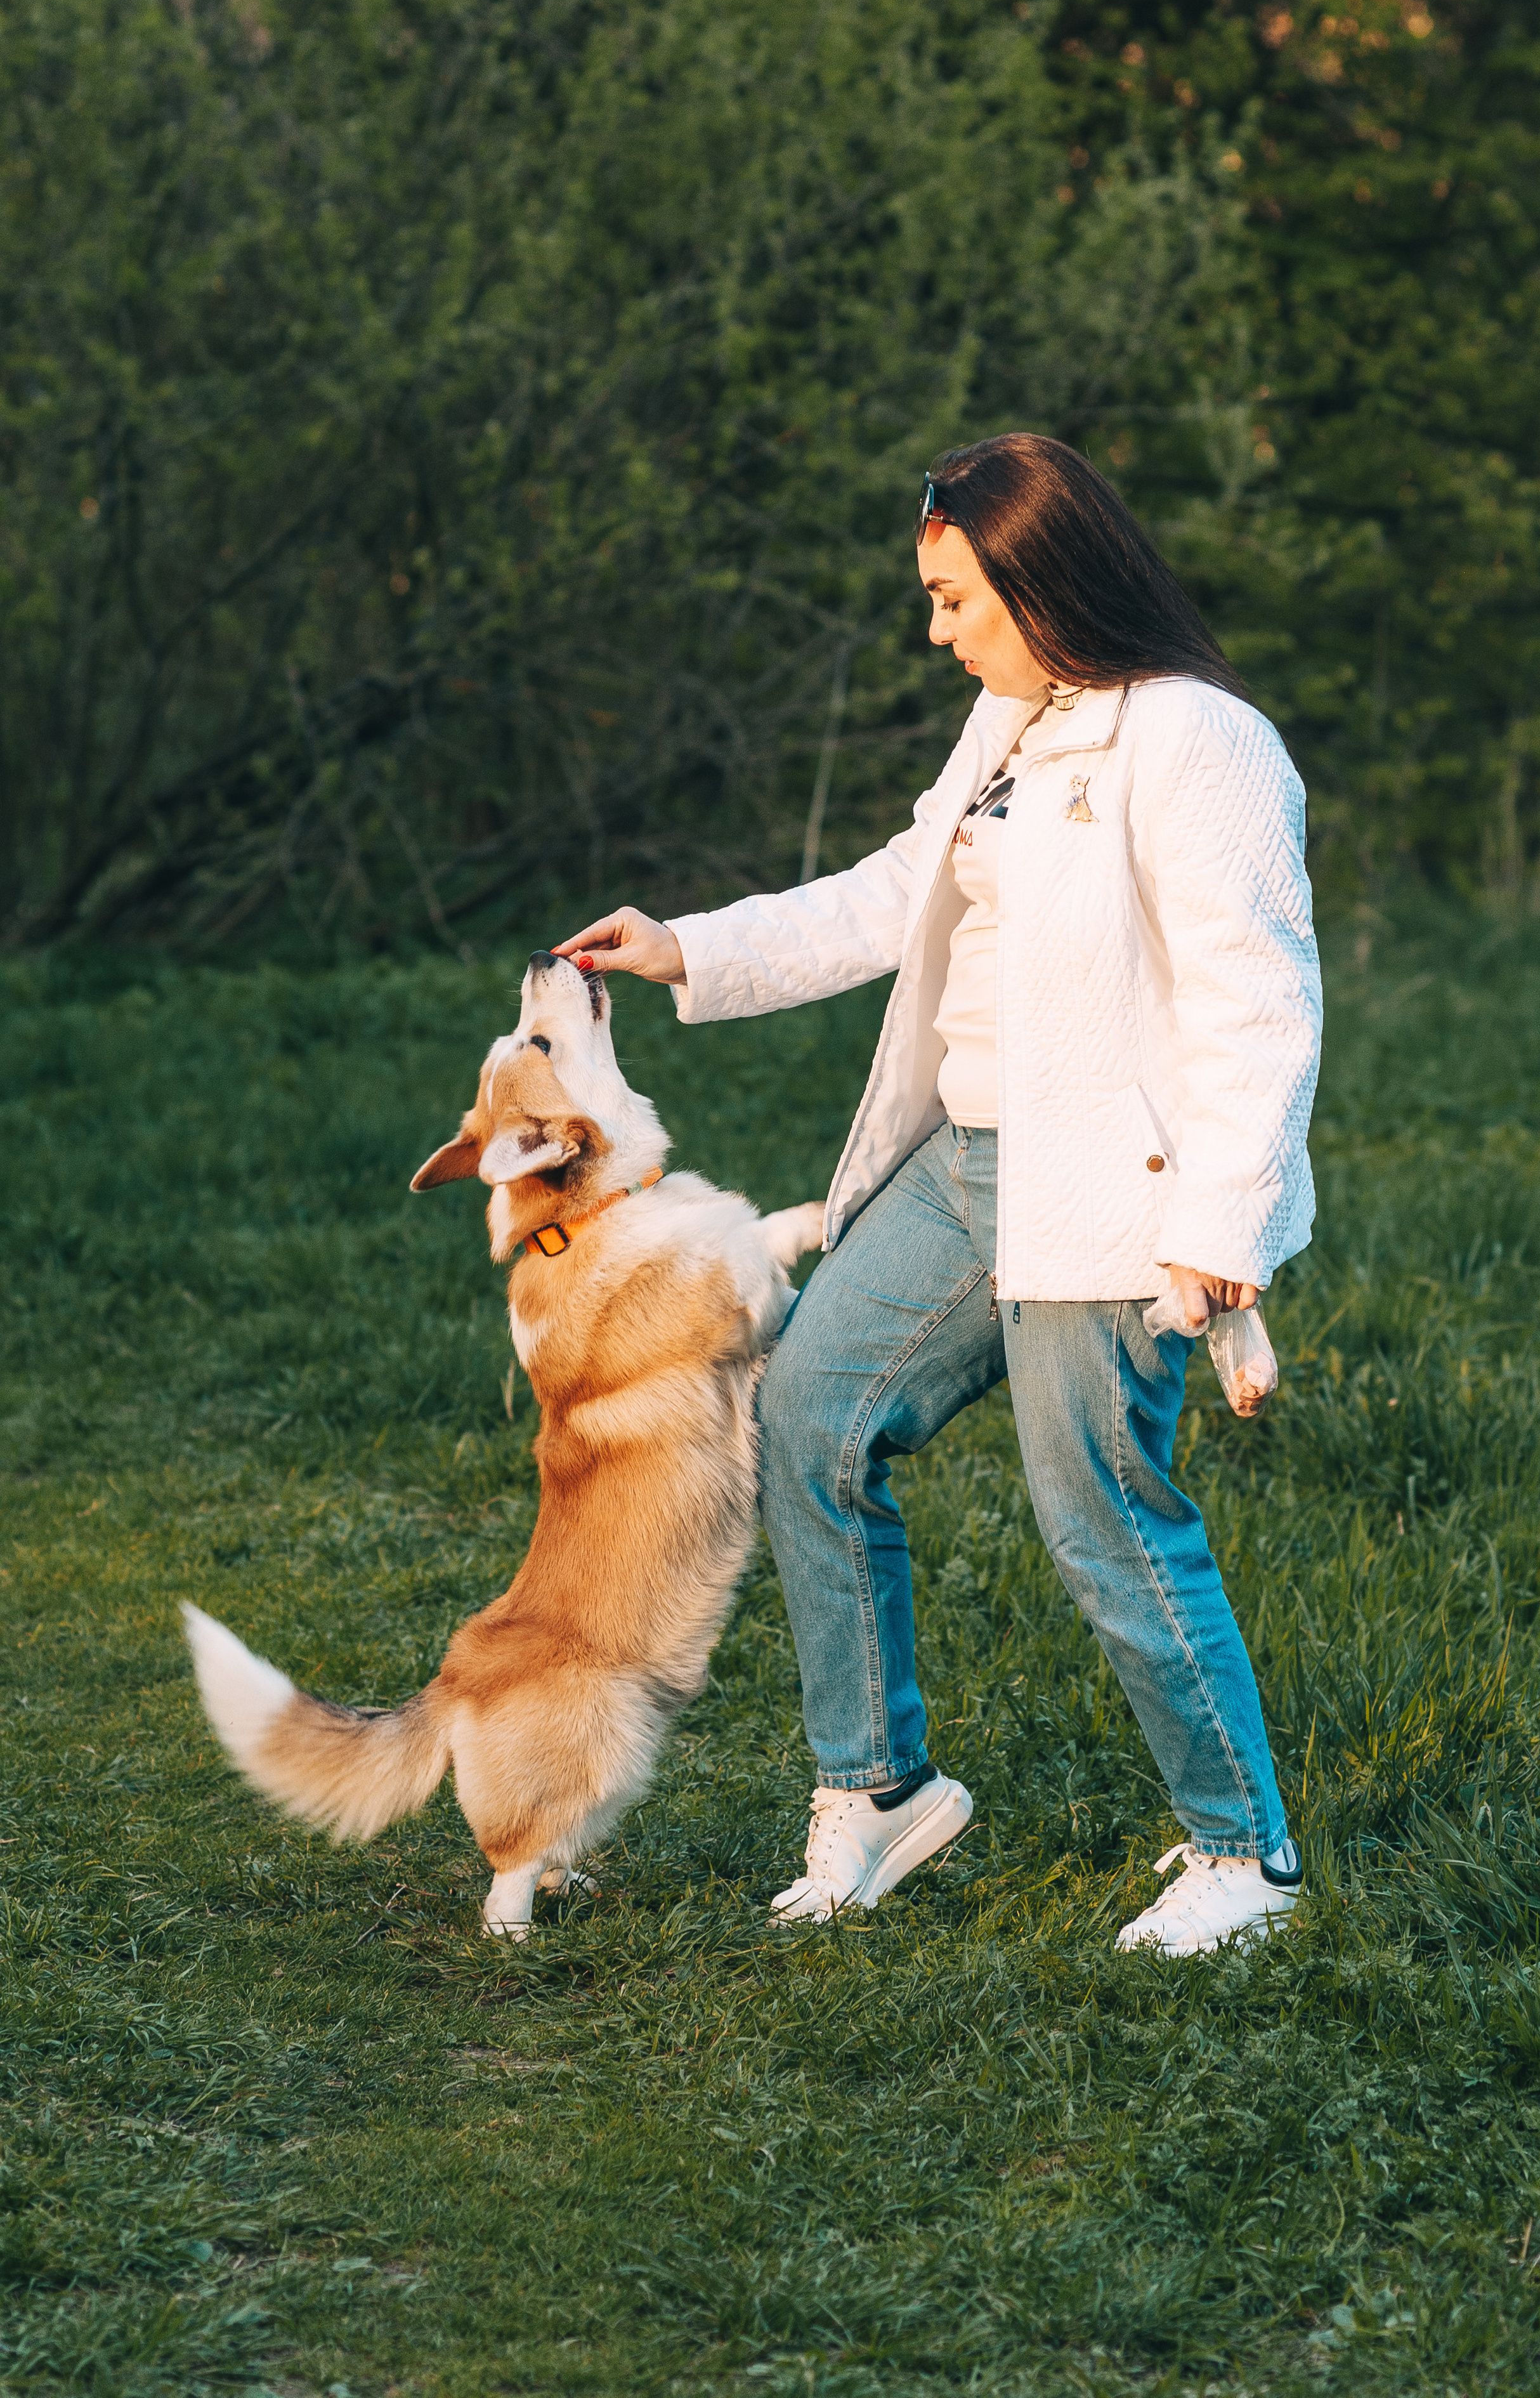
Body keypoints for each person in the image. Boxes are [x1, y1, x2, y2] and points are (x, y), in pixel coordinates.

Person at [556, 432, 1321, 1956]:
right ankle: (878, 1788)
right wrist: (690, 946)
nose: (936, 629)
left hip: (1109, 1188)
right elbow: (894, 889)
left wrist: (1223, 1224)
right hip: (965, 1167)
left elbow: (1259, 995)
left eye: (953, 598)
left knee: (1099, 1512)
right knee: (808, 1417)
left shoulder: (1196, 741)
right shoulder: (1010, 717)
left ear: (1040, 581)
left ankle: (1245, 1858)